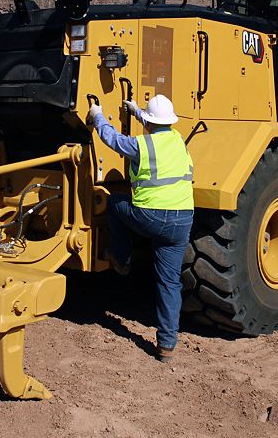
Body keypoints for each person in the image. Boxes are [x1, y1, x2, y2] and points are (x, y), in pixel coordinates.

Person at [88, 94, 194, 362]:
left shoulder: (141, 145)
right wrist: (136, 111)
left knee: (115, 203)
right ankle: (167, 346)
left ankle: (122, 259)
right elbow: (155, 129)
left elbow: (112, 139)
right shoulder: (178, 141)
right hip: (181, 221)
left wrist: (97, 115)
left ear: (148, 121)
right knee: (169, 282)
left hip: (151, 217)